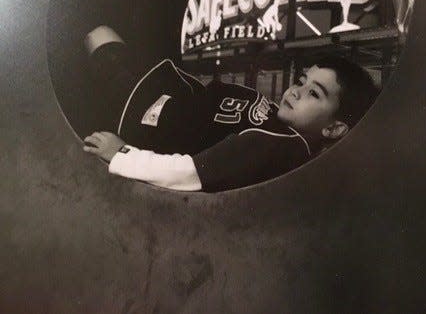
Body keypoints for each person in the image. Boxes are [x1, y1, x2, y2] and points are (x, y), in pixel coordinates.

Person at [83, 26, 378, 192]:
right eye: (302, 81)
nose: (296, 91)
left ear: (334, 128)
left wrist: (123, 155)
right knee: (101, 34)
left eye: (314, 93)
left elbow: (192, 173)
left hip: (145, 112)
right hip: (170, 92)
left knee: (97, 35)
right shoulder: (284, 124)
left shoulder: (283, 145)